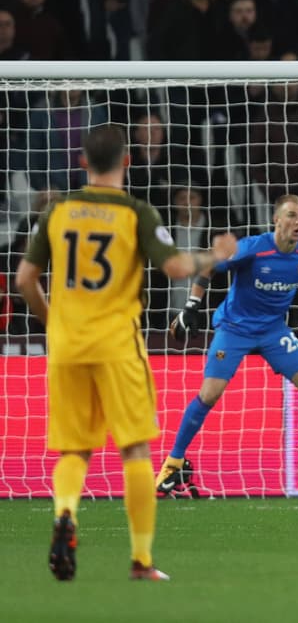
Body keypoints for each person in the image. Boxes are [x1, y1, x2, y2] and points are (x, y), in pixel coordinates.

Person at [15, 125, 238, 581]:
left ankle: (65, 512)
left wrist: (53, 320)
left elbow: (23, 280)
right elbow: (176, 266)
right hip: (118, 342)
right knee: (135, 449)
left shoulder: (58, 210)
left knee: (74, 451)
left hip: (68, 343)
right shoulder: (135, 212)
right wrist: (211, 256)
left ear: (82, 162)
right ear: (128, 162)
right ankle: (140, 560)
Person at [160, 195, 298, 496]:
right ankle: (173, 462)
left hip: (273, 330)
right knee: (209, 394)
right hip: (235, 328)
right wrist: (192, 306)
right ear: (277, 220)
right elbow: (210, 264)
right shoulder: (253, 249)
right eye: (292, 216)